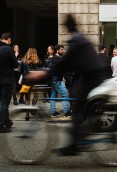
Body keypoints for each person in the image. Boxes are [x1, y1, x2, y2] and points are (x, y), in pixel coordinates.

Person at [26, 14, 110, 155]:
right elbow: (68, 63)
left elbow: (65, 63)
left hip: (91, 77)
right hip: (92, 75)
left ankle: (74, 145)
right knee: (78, 101)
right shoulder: (79, 38)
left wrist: (43, 73)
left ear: (66, 27)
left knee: (76, 107)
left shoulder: (76, 40)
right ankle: (82, 132)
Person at [0, 32, 18, 133]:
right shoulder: (8, 49)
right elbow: (15, 65)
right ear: (9, 39)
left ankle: (6, 121)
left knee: (1, 102)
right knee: (4, 103)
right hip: (6, 80)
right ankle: (1, 124)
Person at [49, 44, 71, 117]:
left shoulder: (53, 58)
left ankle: (53, 112)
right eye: (62, 49)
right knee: (65, 95)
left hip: (53, 80)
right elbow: (63, 71)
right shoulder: (58, 59)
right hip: (57, 80)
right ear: (57, 50)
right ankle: (66, 112)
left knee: (53, 96)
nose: (63, 51)